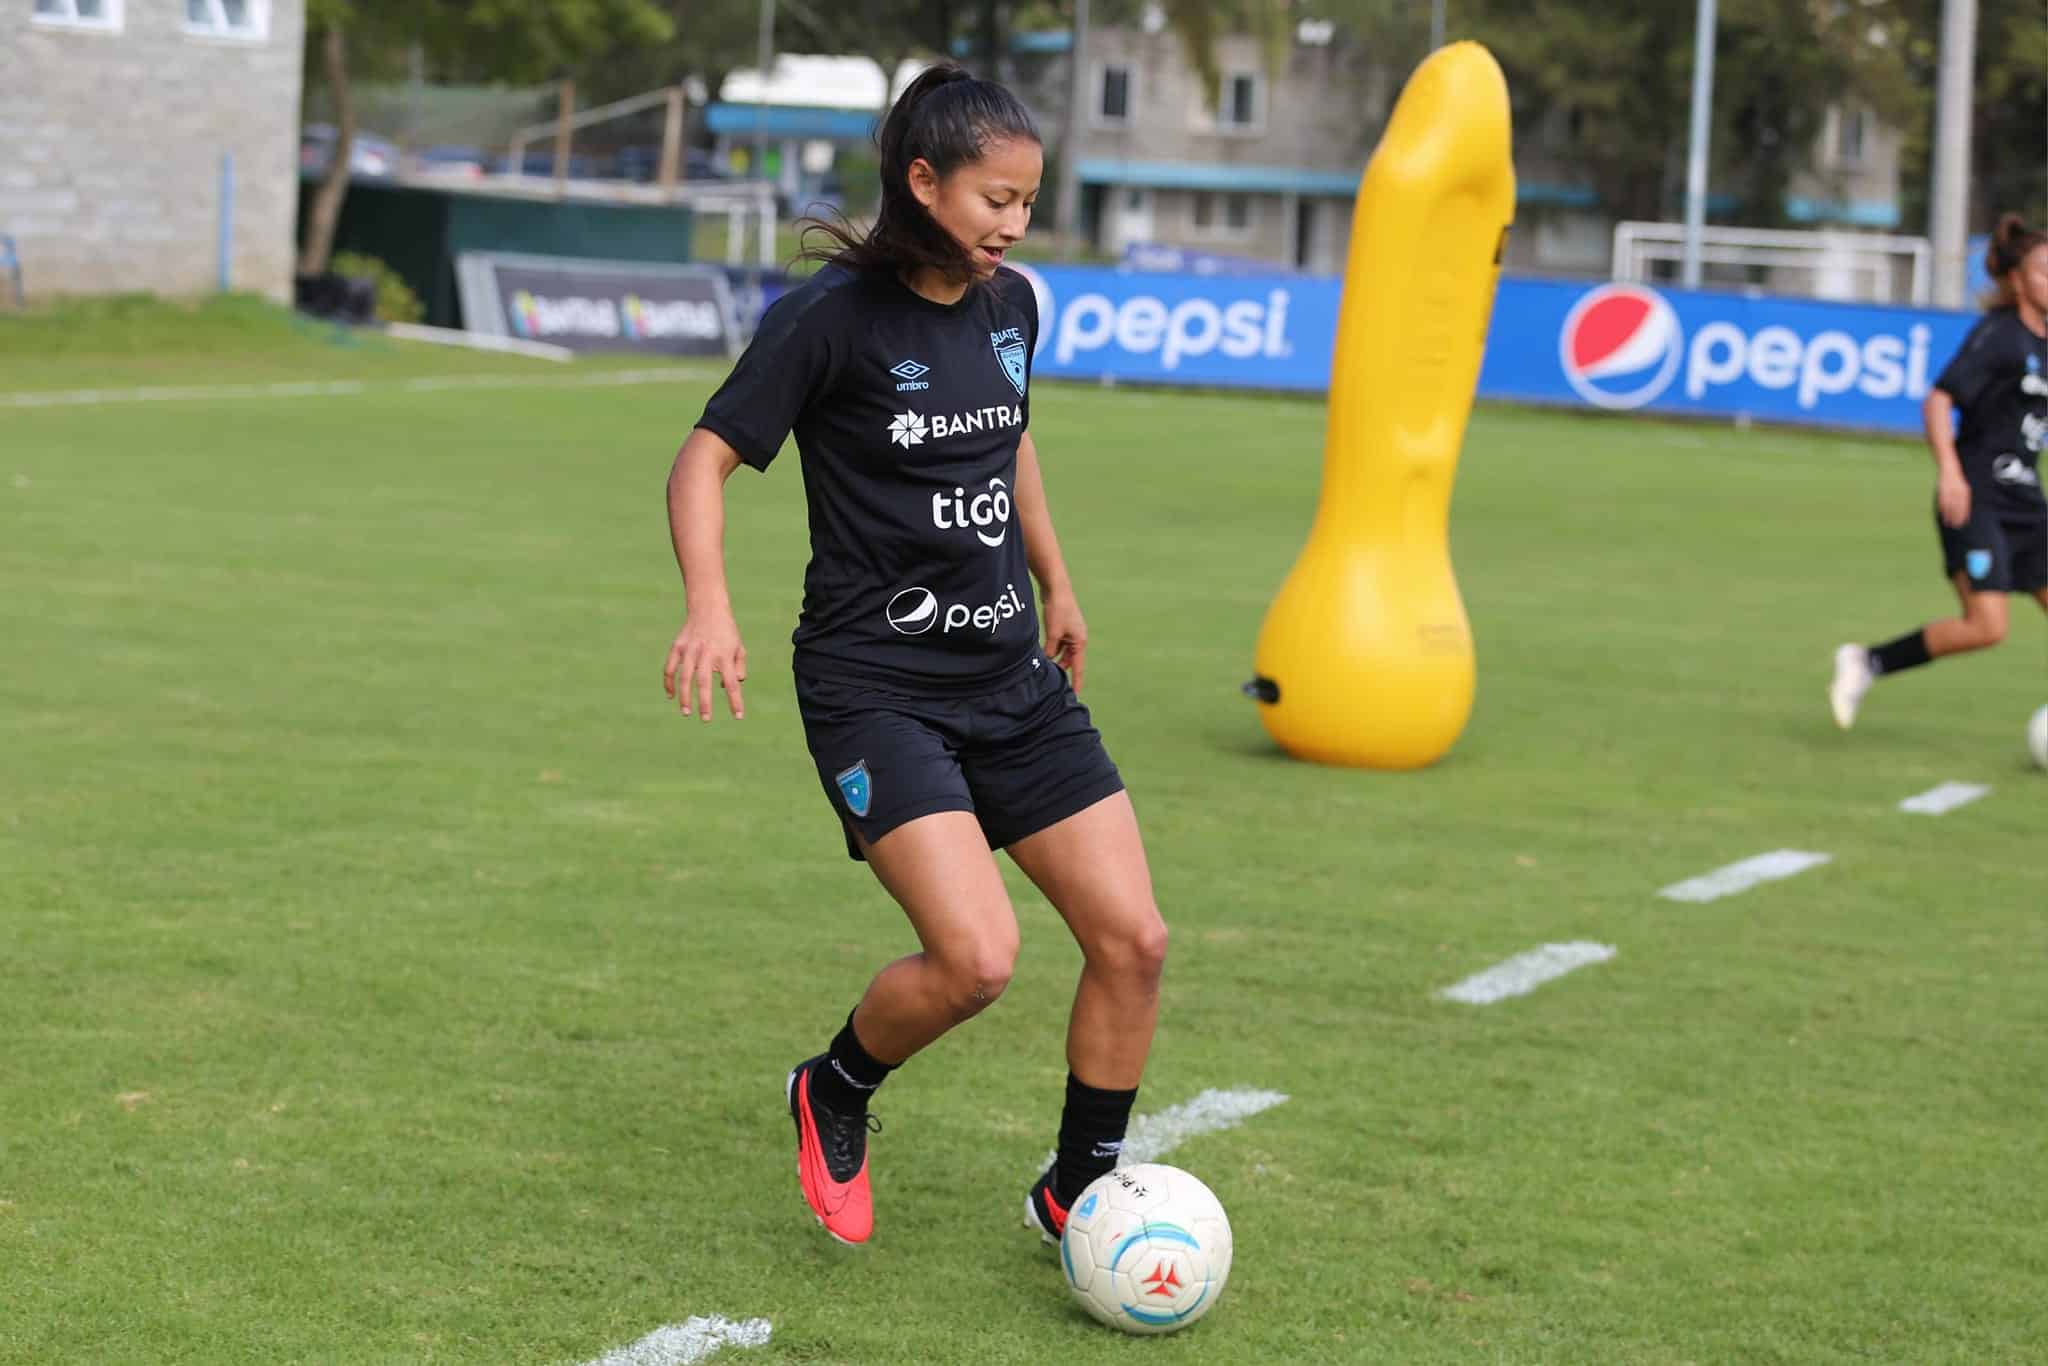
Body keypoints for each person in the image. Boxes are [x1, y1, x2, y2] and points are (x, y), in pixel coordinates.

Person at [659, 65, 1167, 1249]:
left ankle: (1076, 1188)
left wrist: (1057, 580)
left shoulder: (1011, 308)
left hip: (1011, 681)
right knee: (977, 959)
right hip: (874, 688)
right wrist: (707, 604)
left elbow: (1010, 441)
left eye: (1027, 202)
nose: (1011, 225)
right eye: (994, 199)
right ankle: (833, 1086)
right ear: (921, 179)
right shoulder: (825, 321)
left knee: (1134, 942)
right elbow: (703, 460)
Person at [1830, 214, 2048, 728]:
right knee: (1987, 626)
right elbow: (1938, 399)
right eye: (2044, 270)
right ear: (2016, 278)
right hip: (1978, 499)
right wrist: (1950, 474)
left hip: (2027, 502)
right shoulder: (1999, 335)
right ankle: (1868, 662)